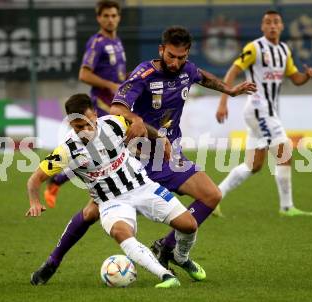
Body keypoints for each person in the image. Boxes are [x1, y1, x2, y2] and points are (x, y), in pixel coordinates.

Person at [30, 26, 256, 285]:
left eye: (182, 57)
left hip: (169, 155)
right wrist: (137, 119)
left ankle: (168, 248)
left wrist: (230, 90)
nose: (176, 62)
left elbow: (201, 76)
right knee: (92, 212)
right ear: (161, 50)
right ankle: (52, 262)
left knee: (212, 195)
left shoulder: (187, 70)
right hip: (137, 159)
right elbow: (117, 107)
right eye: (171, 56)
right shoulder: (144, 73)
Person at [27, 94, 206, 288]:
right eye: (79, 127)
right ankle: (165, 276)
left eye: (89, 123)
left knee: (189, 225)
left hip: (142, 186)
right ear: (71, 124)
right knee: (121, 232)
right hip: (111, 202)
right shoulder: (67, 150)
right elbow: (34, 179)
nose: (86, 130)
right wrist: (35, 202)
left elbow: (141, 127)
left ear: (95, 115)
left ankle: (181, 256)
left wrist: (162, 138)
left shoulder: (113, 124)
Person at [216, 10, 312, 217]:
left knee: (253, 165)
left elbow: (295, 78)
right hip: (259, 109)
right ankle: (287, 207)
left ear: (281, 27)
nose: (272, 25)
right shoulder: (254, 48)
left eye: (276, 22)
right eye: (268, 22)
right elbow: (233, 71)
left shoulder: (284, 51)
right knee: (285, 153)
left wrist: (306, 76)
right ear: (262, 27)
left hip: (265, 112)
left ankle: (214, 197)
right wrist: (223, 102)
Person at [45, 0, 127, 208]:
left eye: (113, 15)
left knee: (115, 151)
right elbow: (84, 73)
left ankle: (60, 181)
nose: (110, 19)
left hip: (116, 104)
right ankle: (58, 180)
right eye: (106, 16)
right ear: (98, 18)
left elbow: (117, 75)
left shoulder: (117, 42)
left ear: (119, 17)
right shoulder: (96, 43)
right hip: (100, 107)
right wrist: (109, 85)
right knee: (98, 153)